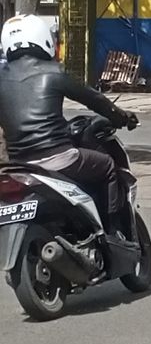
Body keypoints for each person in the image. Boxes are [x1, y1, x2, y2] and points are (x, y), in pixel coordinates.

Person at [0, 15, 139, 243]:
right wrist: (122, 117)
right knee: (107, 167)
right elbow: (94, 100)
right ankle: (112, 234)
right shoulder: (53, 72)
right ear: (43, 39)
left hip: (17, 166)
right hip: (58, 159)